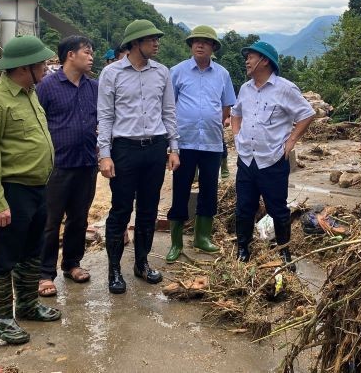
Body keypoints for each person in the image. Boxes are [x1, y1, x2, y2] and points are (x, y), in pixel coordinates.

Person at [0, 35, 61, 345]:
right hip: (13, 191)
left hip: (38, 188)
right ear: (25, 68)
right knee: (3, 257)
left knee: (31, 251)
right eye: (43, 65)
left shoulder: (30, 93)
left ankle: (26, 306)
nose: (48, 69)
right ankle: (1, 320)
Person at [97, 19, 180, 294]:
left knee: (148, 208)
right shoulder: (112, 74)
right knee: (120, 210)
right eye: (150, 39)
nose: (156, 43)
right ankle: (114, 270)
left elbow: (169, 112)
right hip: (125, 149)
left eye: (157, 39)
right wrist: (105, 155)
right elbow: (106, 117)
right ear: (134, 43)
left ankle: (141, 264)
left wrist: (174, 148)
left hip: (155, 148)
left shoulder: (162, 73)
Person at [231, 41, 315, 270]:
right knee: (244, 207)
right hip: (247, 159)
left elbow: (307, 113)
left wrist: (291, 141)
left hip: (273, 160)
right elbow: (235, 113)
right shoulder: (245, 89)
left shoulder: (285, 88)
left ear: (264, 60)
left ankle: (284, 252)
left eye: (250, 57)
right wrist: (237, 136)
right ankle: (242, 249)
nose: (246, 61)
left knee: (277, 209)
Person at [165, 26, 235, 263]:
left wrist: (214, 118)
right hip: (184, 142)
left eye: (206, 42)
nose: (200, 45)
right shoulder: (177, 72)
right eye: (196, 41)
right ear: (191, 45)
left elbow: (227, 106)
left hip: (212, 143)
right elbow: (169, 106)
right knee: (181, 189)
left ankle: (202, 237)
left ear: (213, 47)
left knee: (209, 190)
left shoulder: (222, 74)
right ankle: (176, 242)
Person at [36, 36, 99, 297]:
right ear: (70, 55)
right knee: (50, 221)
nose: (91, 56)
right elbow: (37, 124)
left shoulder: (93, 87)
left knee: (79, 218)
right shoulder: (47, 86)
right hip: (57, 165)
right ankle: (44, 273)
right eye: (87, 52)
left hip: (86, 163)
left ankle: (72, 263)